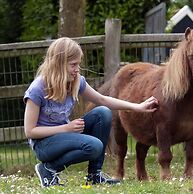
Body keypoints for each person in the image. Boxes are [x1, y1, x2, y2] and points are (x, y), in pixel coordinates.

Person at [23, 37, 158, 188]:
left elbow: (103, 100)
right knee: (94, 146)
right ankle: (48, 168)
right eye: (73, 65)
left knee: (103, 113)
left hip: (64, 135)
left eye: (78, 64)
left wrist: (138, 106)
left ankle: (95, 174)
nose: (77, 69)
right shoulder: (37, 90)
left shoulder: (75, 81)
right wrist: (66, 129)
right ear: (58, 64)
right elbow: (30, 131)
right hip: (44, 144)